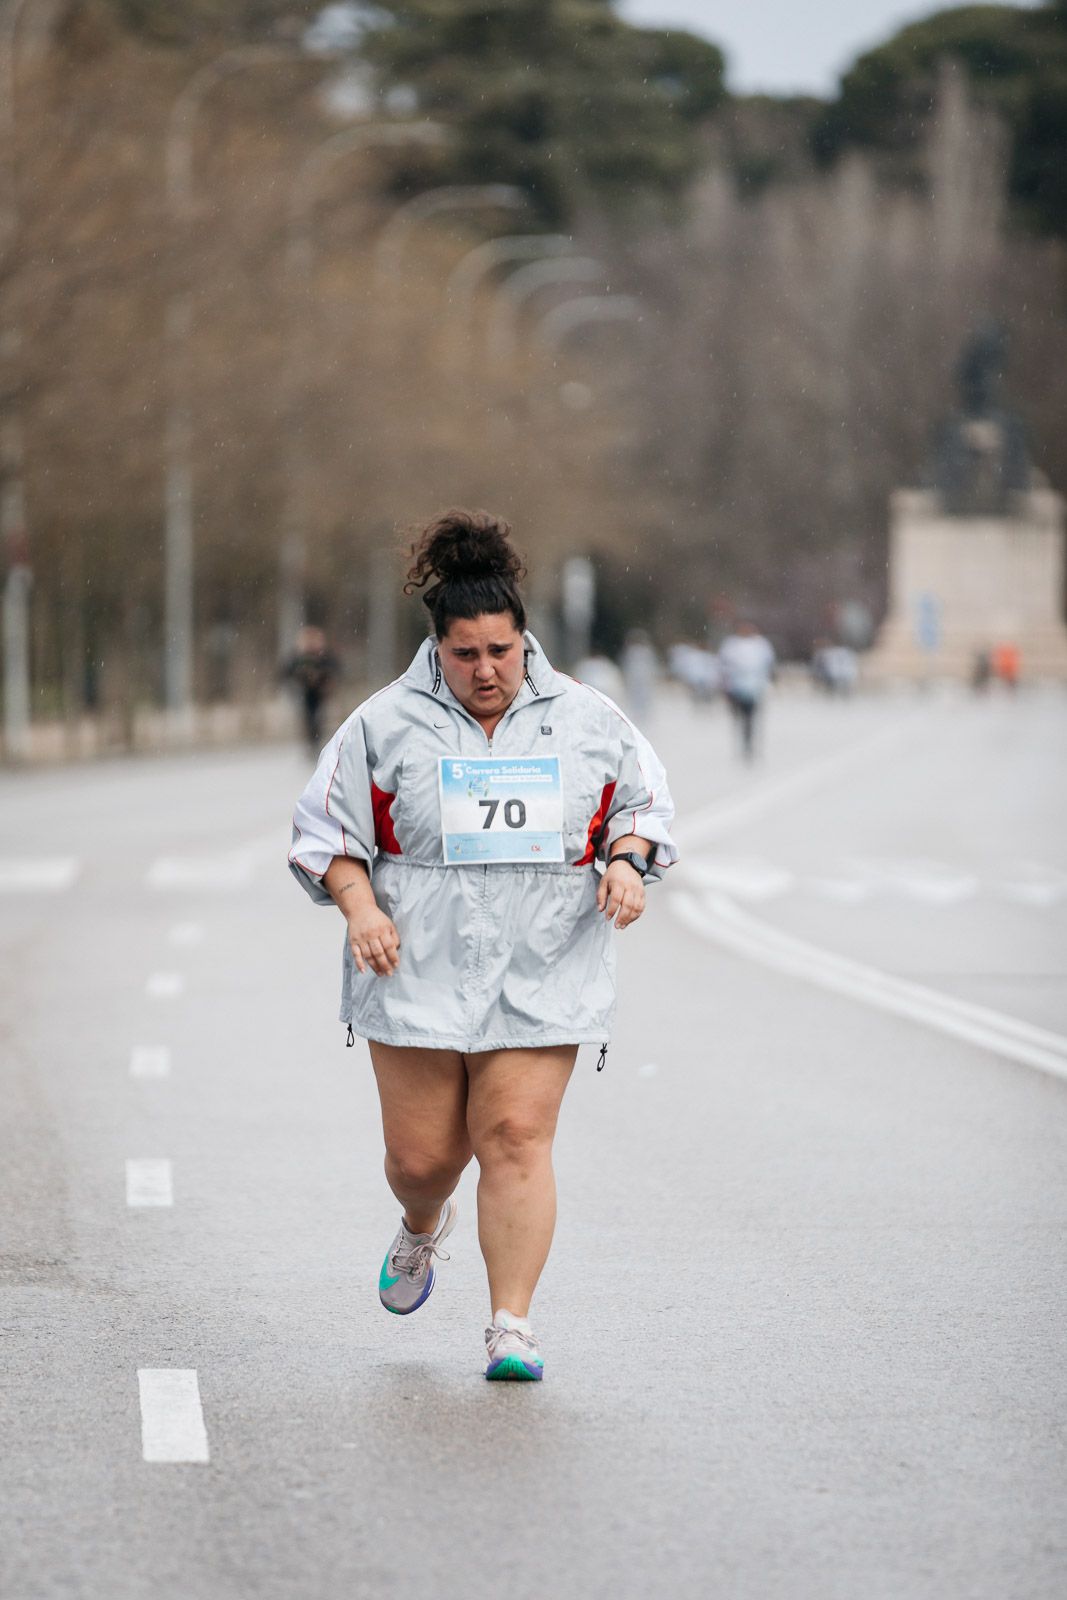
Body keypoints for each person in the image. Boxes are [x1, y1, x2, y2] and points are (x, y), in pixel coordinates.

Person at [288, 510, 677, 1382]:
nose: (486, 671)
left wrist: (626, 863)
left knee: (512, 1134)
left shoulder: (585, 717)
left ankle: (511, 1326)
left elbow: (643, 806)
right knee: (423, 1159)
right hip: (414, 966)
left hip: (544, 963)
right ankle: (423, 1226)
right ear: (438, 647)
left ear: (521, 637)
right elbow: (324, 833)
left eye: (499, 651)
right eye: (466, 655)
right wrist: (358, 908)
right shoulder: (381, 725)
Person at [718, 619, 776, 759]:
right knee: (738, 716)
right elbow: (723, 664)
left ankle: (748, 743)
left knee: (749, 717)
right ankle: (743, 739)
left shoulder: (761, 645)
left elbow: (768, 664)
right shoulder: (731, 645)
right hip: (736, 686)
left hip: (753, 687)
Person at [281, 625, 340, 752]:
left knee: (318, 715)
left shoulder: (323, 655)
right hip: (305, 690)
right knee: (309, 715)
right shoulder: (300, 656)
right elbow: (288, 670)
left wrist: (327, 679)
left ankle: (315, 737)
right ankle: (312, 738)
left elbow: (334, 667)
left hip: (320, 690)